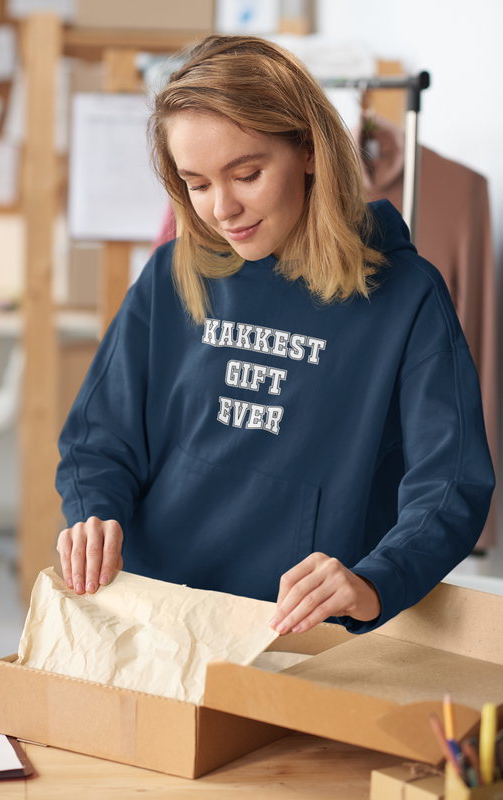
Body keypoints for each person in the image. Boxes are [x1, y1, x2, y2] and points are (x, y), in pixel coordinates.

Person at [56, 35, 494, 636]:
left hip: (298, 635)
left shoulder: (407, 297)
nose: (222, 209)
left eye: (247, 174)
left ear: (308, 149)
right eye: (197, 183)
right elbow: (98, 437)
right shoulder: (171, 272)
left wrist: (374, 581)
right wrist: (93, 512)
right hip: (153, 618)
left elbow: (451, 483)